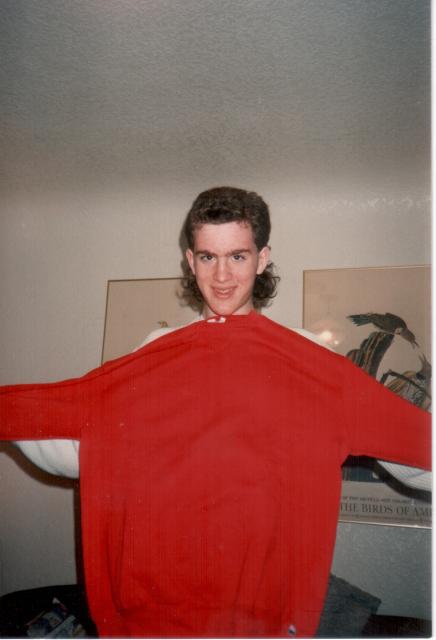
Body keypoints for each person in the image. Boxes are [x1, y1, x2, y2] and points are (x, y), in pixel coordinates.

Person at [0, 187, 431, 638]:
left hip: (264, 619)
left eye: (237, 257)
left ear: (262, 258)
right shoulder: (155, 350)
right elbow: (80, 441)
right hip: (158, 617)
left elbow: (413, 445)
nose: (222, 276)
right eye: (208, 257)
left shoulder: (309, 359)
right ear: (191, 261)